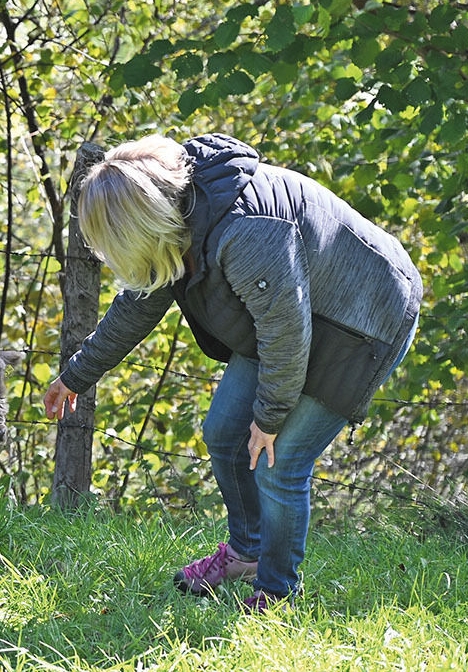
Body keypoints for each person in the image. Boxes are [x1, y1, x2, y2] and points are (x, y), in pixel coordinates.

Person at [42, 134, 421, 613]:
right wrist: (77, 374)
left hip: (362, 319)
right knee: (223, 431)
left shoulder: (247, 232)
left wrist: (270, 416)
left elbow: (286, 333)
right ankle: (247, 552)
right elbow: (138, 305)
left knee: (279, 460)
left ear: (140, 222)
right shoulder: (178, 219)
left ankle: (277, 591)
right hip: (294, 315)